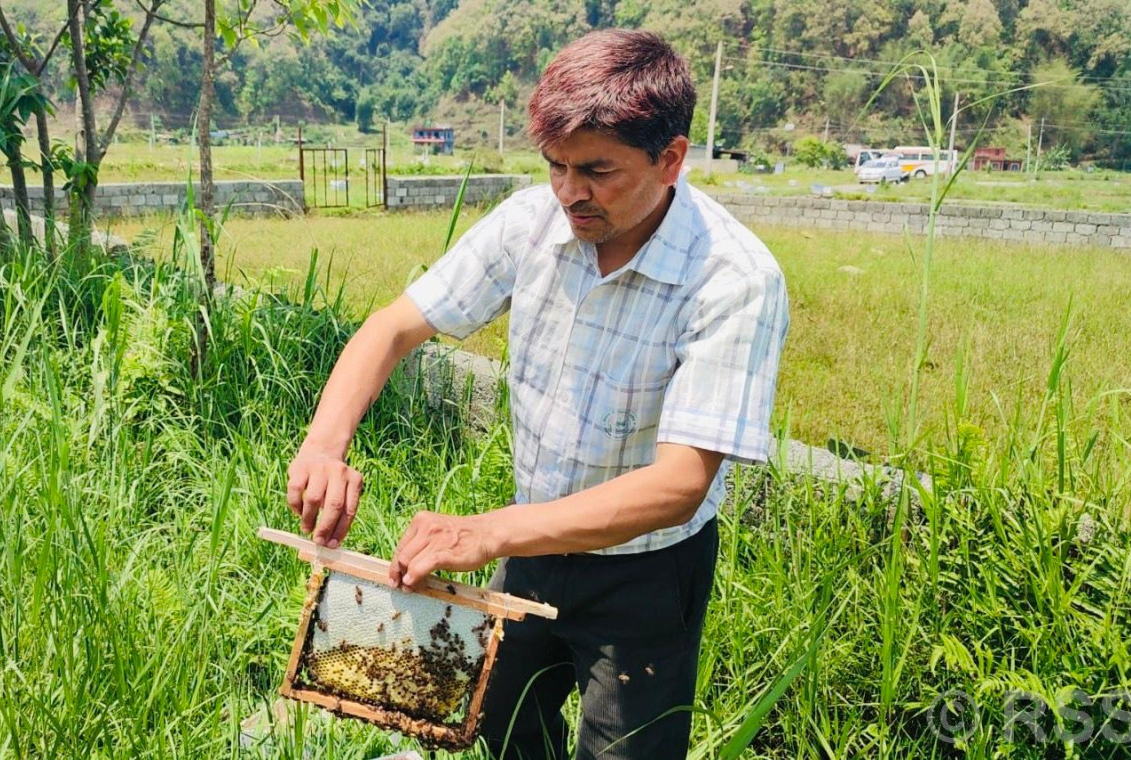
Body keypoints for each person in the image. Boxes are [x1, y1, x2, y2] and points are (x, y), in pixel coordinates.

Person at [286, 28, 789, 760]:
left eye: (597, 170)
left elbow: (680, 485)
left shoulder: (733, 279)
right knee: (500, 721)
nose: (569, 193)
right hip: (531, 539)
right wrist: (324, 445)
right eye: (555, 166)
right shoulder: (530, 223)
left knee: (628, 748)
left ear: (671, 158)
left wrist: (488, 533)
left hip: (648, 569)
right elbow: (394, 327)